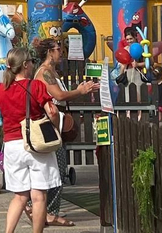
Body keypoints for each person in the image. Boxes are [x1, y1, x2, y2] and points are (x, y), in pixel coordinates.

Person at [0, 47, 63, 233]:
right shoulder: (35, 86)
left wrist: (3, 123)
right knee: (38, 196)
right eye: (31, 62)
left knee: (19, 196)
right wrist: (54, 126)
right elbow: (52, 111)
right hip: (35, 145)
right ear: (25, 65)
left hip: (12, 145)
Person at [33, 36, 100, 228]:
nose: (61, 53)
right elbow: (59, 95)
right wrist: (80, 91)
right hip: (50, 124)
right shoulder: (44, 72)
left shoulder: (52, 71)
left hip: (57, 122)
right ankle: (46, 210)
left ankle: (45, 209)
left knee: (57, 168)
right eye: (58, 49)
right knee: (56, 167)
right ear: (49, 52)